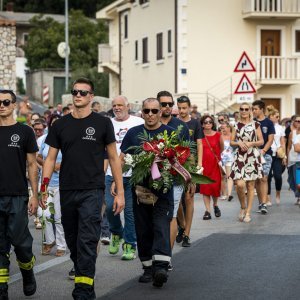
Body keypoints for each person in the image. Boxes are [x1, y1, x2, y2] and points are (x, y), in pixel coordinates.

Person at [41, 78, 125, 300]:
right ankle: (84, 277)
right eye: (75, 92)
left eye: (83, 92)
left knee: (87, 239)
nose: (78, 95)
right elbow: (50, 159)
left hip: (92, 190)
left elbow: (114, 158)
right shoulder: (60, 125)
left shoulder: (102, 123)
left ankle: (83, 291)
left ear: (91, 97)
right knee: (73, 240)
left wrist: (120, 191)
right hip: (67, 189)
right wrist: (43, 187)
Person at [120, 97, 174, 288]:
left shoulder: (170, 133)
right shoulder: (134, 133)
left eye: (154, 110)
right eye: (146, 111)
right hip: (140, 191)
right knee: (143, 230)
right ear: (141, 112)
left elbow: (181, 160)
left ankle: (161, 268)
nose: (150, 114)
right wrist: (117, 182)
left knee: (160, 227)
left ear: (160, 112)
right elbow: (122, 159)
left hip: (163, 193)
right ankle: (148, 268)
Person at [0, 89, 38, 299]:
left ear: (14, 105)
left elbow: (32, 165)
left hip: (17, 195)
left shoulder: (25, 132)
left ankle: (27, 272)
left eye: (6, 102)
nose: (2, 105)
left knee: (20, 241)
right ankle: (2, 287)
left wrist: (34, 194)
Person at [105, 95, 144, 260]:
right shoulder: (107, 124)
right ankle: (116, 233)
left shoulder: (138, 122)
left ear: (128, 106)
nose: (117, 108)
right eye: (114, 105)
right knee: (109, 207)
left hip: (133, 174)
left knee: (129, 211)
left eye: (120, 105)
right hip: (111, 173)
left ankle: (130, 244)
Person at [156, 91, 190, 261]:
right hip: (153, 179)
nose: (168, 107)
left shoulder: (181, 126)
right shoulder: (151, 123)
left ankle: (166, 257)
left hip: (175, 177)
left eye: (170, 104)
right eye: (164, 104)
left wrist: (191, 177)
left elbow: (189, 152)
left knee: (172, 214)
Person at [37, 114, 67, 257]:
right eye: (53, 124)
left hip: (62, 184)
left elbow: (74, 158)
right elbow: (39, 156)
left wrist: (60, 166)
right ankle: (49, 241)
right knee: (44, 214)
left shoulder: (67, 139)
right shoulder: (45, 139)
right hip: (46, 183)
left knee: (59, 217)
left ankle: (61, 245)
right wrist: (48, 164)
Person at [176, 95, 203, 247]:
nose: (182, 111)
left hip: (191, 165)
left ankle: (186, 234)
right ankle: (182, 224)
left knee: (189, 197)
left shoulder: (195, 123)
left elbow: (199, 145)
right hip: (176, 164)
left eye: (184, 108)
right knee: (177, 199)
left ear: (190, 108)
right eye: (179, 108)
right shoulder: (174, 122)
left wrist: (199, 166)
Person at [230, 103, 264, 223]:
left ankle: (248, 212)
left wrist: (250, 143)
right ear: (239, 111)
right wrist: (238, 143)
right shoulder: (235, 125)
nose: (244, 111)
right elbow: (231, 142)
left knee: (250, 185)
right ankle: (243, 206)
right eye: (241, 109)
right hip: (240, 157)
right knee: (239, 184)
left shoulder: (256, 124)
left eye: (246, 109)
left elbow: (261, 141)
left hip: (252, 157)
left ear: (250, 110)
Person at [252, 100, 275, 215]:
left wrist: (264, 150)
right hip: (253, 154)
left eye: (255, 109)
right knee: (257, 179)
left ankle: (265, 203)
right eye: (253, 109)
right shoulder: (252, 122)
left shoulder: (269, 123)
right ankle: (261, 203)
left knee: (264, 178)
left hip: (266, 154)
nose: (254, 111)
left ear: (261, 109)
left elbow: (270, 139)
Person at [199, 115, 224, 220]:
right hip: (204, 165)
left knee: (214, 187)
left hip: (214, 165)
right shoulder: (200, 135)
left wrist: (218, 158)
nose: (208, 124)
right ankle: (207, 211)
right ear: (202, 124)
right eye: (205, 122)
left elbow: (222, 148)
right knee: (205, 188)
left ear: (213, 123)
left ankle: (215, 205)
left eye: (210, 122)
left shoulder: (218, 135)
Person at [266, 106, 286, 206]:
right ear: (270, 117)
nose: (277, 118)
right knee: (268, 176)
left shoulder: (281, 128)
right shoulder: (265, 127)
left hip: (278, 155)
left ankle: (278, 193)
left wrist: (284, 156)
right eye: (275, 116)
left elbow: (283, 142)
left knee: (278, 176)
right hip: (268, 153)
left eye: (278, 117)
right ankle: (268, 197)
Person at [287, 115, 300, 205]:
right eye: (297, 121)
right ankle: (298, 196)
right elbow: (289, 147)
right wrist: (287, 158)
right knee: (295, 181)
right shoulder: (292, 133)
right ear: (293, 122)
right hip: (294, 159)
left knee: (298, 181)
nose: (298, 123)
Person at [219, 122, 234, 201]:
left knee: (229, 176)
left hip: (230, 158)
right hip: (220, 158)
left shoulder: (232, 136)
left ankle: (229, 194)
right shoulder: (219, 136)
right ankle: (223, 194)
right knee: (222, 177)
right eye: (221, 128)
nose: (223, 129)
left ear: (229, 128)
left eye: (224, 128)